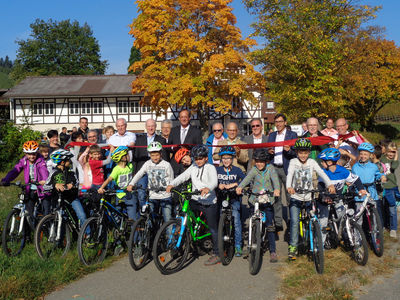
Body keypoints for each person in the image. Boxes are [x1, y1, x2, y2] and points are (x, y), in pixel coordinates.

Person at [166, 145, 219, 266]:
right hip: (195, 200)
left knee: (212, 228)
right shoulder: (193, 167)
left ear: (206, 158)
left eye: (201, 158)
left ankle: (217, 253)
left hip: (208, 202)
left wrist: (208, 188)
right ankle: (185, 241)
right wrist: (172, 184)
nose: (198, 160)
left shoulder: (210, 168)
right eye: (196, 158)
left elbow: (214, 182)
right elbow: (182, 177)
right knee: (183, 213)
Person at [286, 139, 335, 260]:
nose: (303, 155)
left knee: (313, 219)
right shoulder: (293, 162)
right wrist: (289, 186)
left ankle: (312, 242)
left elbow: (322, 173)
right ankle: (293, 247)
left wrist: (329, 184)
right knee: (294, 222)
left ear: (309, 152)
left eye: (306, 152)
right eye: (300, 152)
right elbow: (290, 174)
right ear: (296, 152)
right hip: (295, 197)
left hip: (309, 197)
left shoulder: (312, 162)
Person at [236, 148, 280, 262]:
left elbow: (275, 180)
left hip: (267, 199)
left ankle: (273, 251)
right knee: (252, 221)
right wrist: (240, 186)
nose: (259, 164)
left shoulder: (270, 169)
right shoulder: (254, 169)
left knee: (270, 225)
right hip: (254, 199)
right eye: (257, 161)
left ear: (266, 161)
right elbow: (247, 178)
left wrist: (277, 189)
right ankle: (250, 244)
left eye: (262, 161)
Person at [317, 148, 366, 245]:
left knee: (343, 217)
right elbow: (320, 187)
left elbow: (355, 179)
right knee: (323, 222)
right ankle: (320, 246)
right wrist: (324, 197)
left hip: (337, 199)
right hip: (324, 199)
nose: (321, 163)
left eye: (323, 161)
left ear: (330, 162)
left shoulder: (343, 171)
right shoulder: (323, 172)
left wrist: (361, 189)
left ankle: (347, 238)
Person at [128, 141, 174, 225]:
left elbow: (171, 180)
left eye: (157, 155)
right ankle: (151, 236)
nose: (155, 157)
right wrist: (132, 183)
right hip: (152, 195)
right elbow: (139, 174)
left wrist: (170, 188)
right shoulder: (147, 164)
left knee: (167, 219)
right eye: (152, 155)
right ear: (149, 155)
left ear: (161, 153)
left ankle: (170, 238)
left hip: (165, 196)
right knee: (150, 218)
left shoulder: (167, 165)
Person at [1, 141, 51, 216]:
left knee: (46, 213)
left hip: (42, 189)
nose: (31, 156)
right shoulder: (24, 161)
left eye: (33, 154)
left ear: (37, 152)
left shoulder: (40, 161)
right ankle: (28, 226)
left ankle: (46, 226)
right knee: (28, 213)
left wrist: (45, 180)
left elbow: (43, 170)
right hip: (30, 189)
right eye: (29, 154)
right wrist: (5, 180)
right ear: (25, 153)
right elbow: (15, 170)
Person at [267, 113, 298, 232]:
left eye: (280, 121)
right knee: (276, 196)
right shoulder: (272, 135)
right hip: (274, 168)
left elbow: (296, 154)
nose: (278, 124)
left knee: (290, 196)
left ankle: (291, 221)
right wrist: (269, 151)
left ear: (285, 122)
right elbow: (267, 148)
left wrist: (289, 151)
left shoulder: (292, 135)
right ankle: (278, 222)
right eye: (276, 122)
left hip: (287, 169)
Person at [44, 150, 87, 229]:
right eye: (68, 160)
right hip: (59, 199)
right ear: (62, 162)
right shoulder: (53, 173)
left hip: (72, 198)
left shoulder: (72, 172)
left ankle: (87, 234)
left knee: (82, 215)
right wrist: (55, 185)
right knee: (61, 218)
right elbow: (45, 186)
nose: (70, 162)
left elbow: (77, 183)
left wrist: (72, 185)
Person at [216, 146, 245, 256]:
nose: (226, 160)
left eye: (228, 158)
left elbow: (245, 179)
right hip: (221, 199)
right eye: (224, 158)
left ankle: (238, 245)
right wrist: (218, 184)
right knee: (220, 221)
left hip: (233, 199)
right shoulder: (217, 170)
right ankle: (221, 243)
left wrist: (236, 184)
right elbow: (212, 181)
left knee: (236, 219)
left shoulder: (237, 170)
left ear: (233, 158)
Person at [352, 143, 386, 225]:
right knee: (358, 219)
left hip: (371, 193)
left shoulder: (373, 166)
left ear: (370, 155)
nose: (363, 156)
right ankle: (358, 237)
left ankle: (375, 236)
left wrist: (382, 177)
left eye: (365, 154)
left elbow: (378, 174)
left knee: (374, 218)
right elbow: (352, 178)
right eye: (361, 154)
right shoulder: (355, 167)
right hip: (360, 194)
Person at [99, 146, 135, 221]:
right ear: (122, 158)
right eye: (126, 155)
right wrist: (101, 188)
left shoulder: (130, 166)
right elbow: (109, 179)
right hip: (119, 195)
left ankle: (134, 230)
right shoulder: (117, 169)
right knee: (117, 216)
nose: (128, 156)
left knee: (132, 217)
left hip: (130, 194)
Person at [169, 109, 202, 174]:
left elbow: (199, 148)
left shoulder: (196, 131)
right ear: (179, 118)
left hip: (189, 165)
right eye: (182, 117)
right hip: (175, 165)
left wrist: (189, 154)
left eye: (185, 117)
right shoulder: (173, 131)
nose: (183, 119)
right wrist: (174, 148)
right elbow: (168, 146)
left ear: (189, 118)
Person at [381, 142, 399, 238]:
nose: (391, 154)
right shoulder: (382, 159)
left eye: (393, 152)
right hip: (383, 187)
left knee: (392, 208)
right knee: (383, 207)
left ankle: (393, 228)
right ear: (386, 151)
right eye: (390, 151)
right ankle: (384, 225)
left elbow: (394, 167)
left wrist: (396, 155)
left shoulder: (394, 161)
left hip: (391, 187)